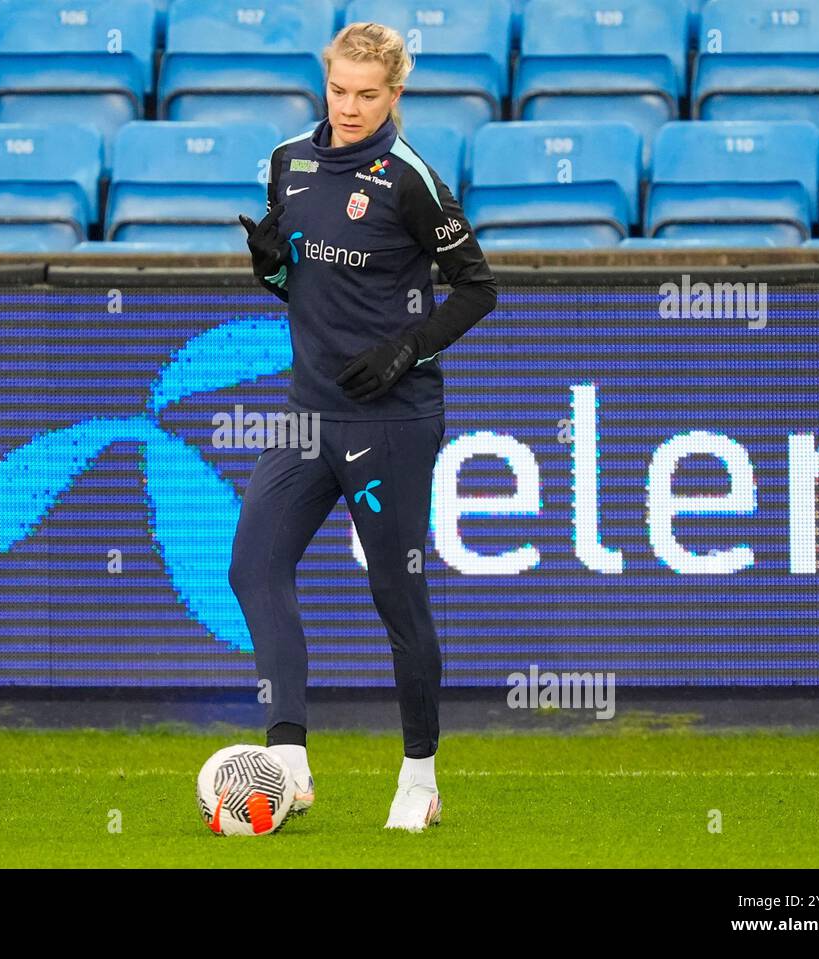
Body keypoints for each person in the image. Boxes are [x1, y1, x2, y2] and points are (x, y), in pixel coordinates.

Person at [230, 21, 499, 831]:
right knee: (253, 565)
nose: (349, 107)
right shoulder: (289, 162)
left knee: (395, 593)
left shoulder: (411, 179)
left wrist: (404, 350)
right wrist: (271, 264)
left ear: (395, 94)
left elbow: (477, 288)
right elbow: (295, 286)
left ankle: (420, 775)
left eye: (367, 94)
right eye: (339, 90)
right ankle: (287, 762)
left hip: (393, 418)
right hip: (309, 410)